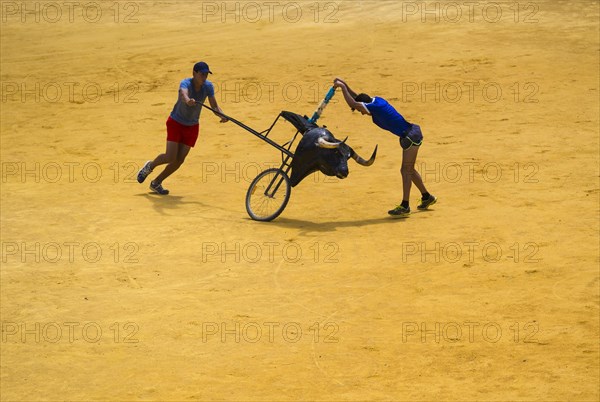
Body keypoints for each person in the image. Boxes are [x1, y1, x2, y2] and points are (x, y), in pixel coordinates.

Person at [333, 78, 437, 216]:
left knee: (405, 170)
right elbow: (357, 98)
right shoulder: (376, 100)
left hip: (410, 137)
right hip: (412, 133)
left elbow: (353, 102)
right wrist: (344, 84)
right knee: (409, 169)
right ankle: (426, 197)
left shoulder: (373, 107)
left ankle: (405, 205)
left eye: (361, 111)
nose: (362, 113)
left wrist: (342, 87)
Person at [137, 61, 228, 195]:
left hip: (192, 126)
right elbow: (183, 94)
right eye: (202, 74)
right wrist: (187, 100)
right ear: (194, 73)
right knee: (170, 156)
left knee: (179, 160)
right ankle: (150, 166)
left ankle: (156, 182)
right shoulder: (185, 83)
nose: (204, 77)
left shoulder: (208, 86)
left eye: (206, 75)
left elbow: (214, 106)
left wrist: (222, 115)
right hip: (176, 123)